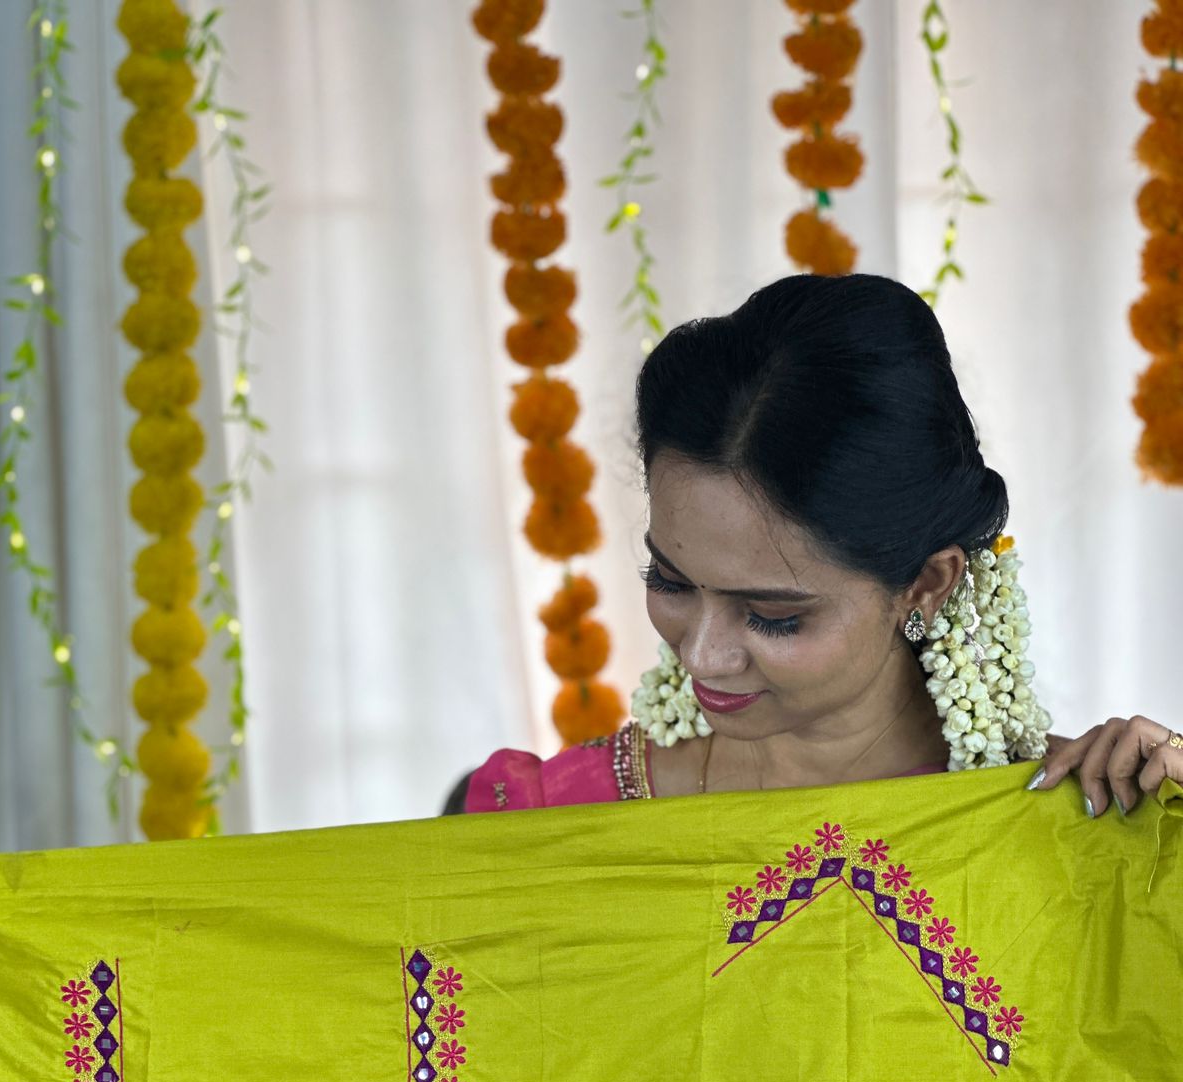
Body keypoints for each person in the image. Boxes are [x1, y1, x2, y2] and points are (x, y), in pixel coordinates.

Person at [464, 274, 1181, 815]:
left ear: (926, 585)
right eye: (671, 579)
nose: (702, 655)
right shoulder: (550, 821)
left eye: (773, 614)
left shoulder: (1079, 817)